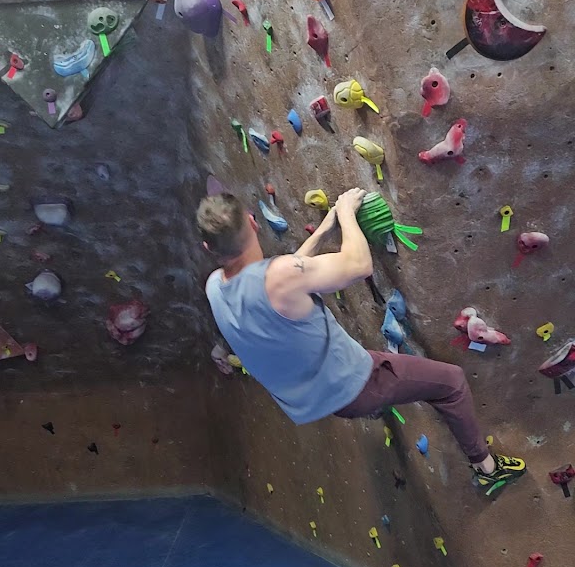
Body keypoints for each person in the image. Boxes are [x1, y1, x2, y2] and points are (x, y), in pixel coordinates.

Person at [198, 188, 526, 496]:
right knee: (451, 382)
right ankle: (486, 467)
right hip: (357, 384)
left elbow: (282, 278)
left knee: (380, 378)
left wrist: (325, 229)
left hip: (312, 398)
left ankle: (374, 406)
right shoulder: (280, 276)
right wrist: (346, 214)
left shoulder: (215, 286)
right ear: (253, 222)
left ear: (208, 248)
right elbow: (358, 266)